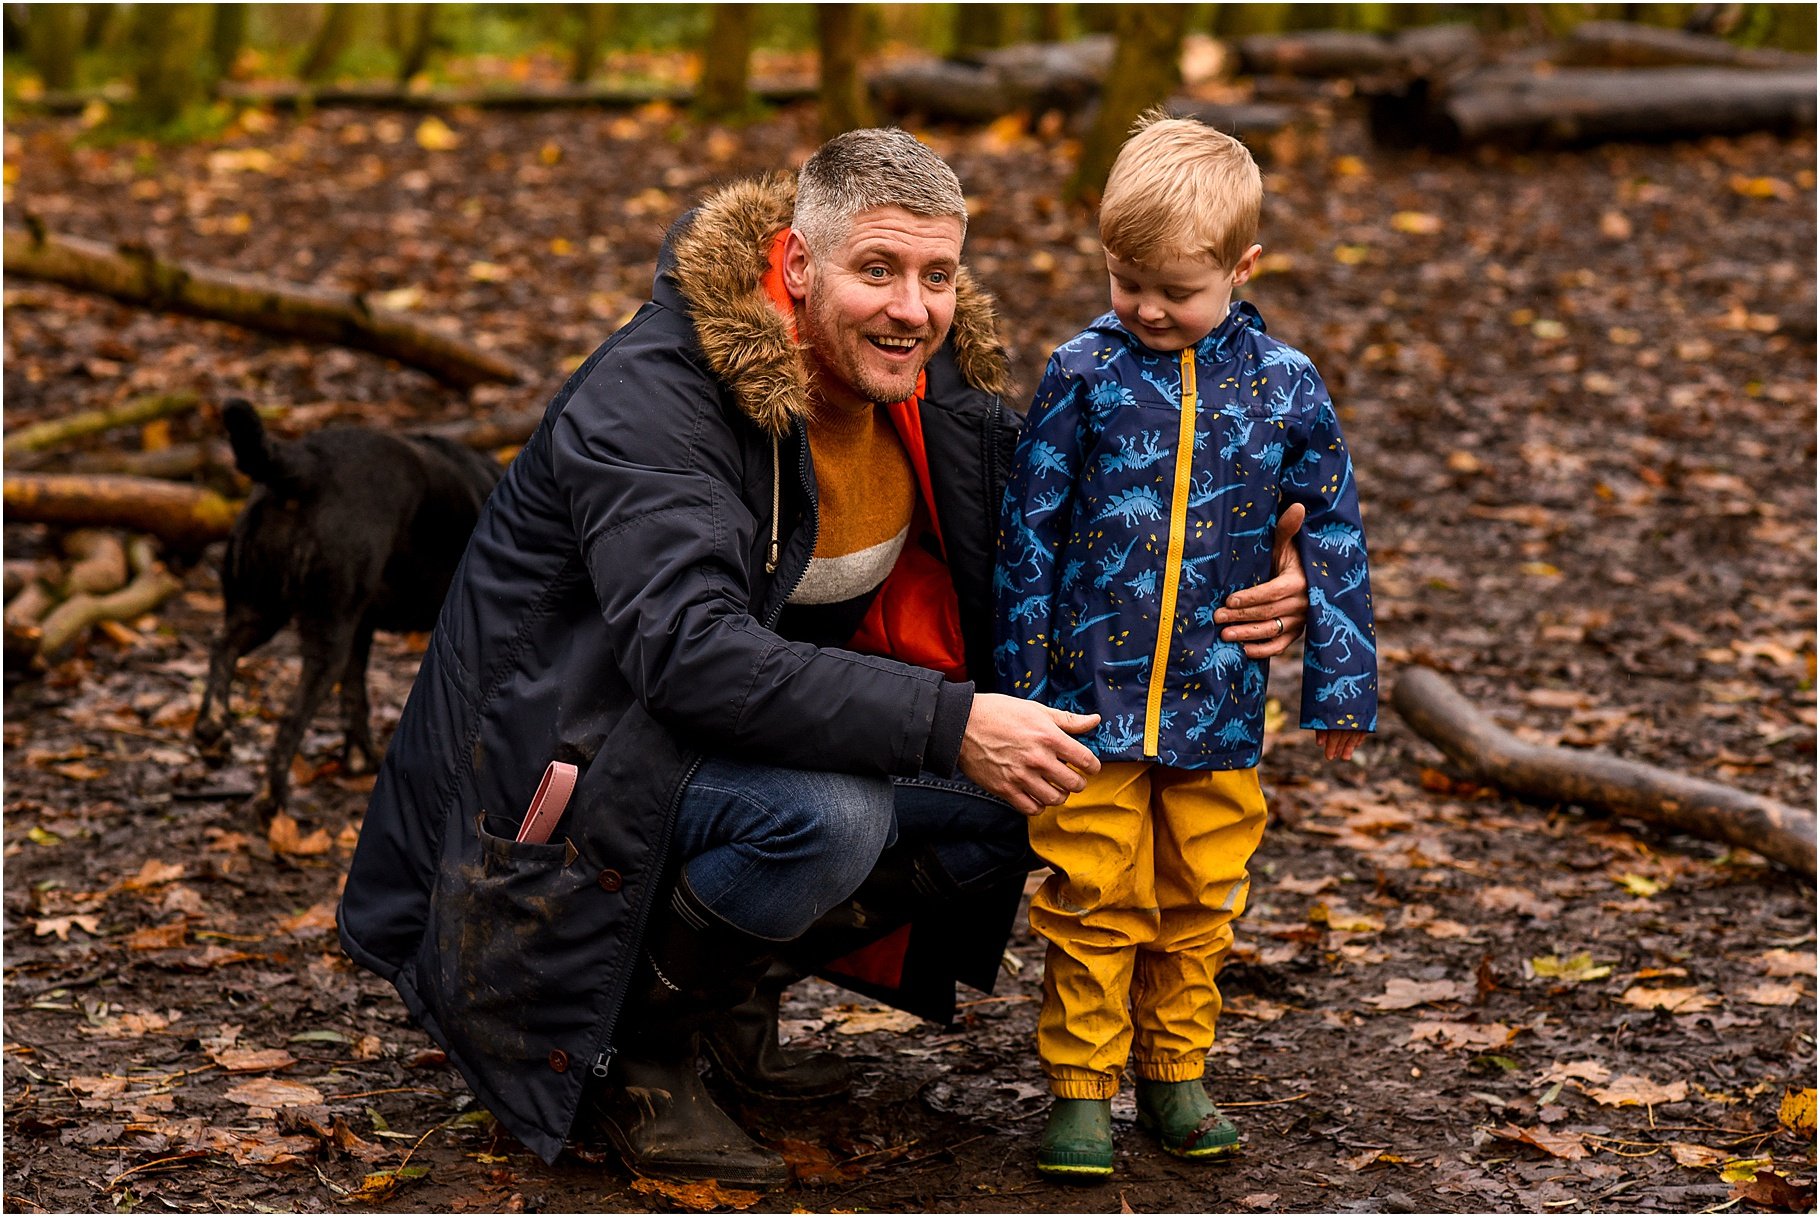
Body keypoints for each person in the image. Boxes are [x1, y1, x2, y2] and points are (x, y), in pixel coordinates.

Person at [338, 128, 1314, 1190]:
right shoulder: (656, 396)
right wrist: (950, 723)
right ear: (798, 266)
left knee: (1054, 785)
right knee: (827, 816)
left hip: (725, 744)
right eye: (878, 270)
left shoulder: (931, 395)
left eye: (937, 275)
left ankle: (722, 990)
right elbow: (689, 655)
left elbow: (1084, 540)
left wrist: (1256, 577)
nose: (912, 308)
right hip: (560, 774)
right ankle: (638, 1054)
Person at [995, 113, 1378, 1179]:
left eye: (1175, 288)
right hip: (1087, 698)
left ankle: (1174, 1069)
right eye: (1125, 280)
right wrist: (1017, 683)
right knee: (1090, 887)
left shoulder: (1285, 385)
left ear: (1241, 266)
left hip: (1218, 701)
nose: (1146, 308)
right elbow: (1028, 526)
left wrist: (1339, 687)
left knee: (1199, 891)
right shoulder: (1080, 372)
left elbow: (1332, 529)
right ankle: (1080, 1084)